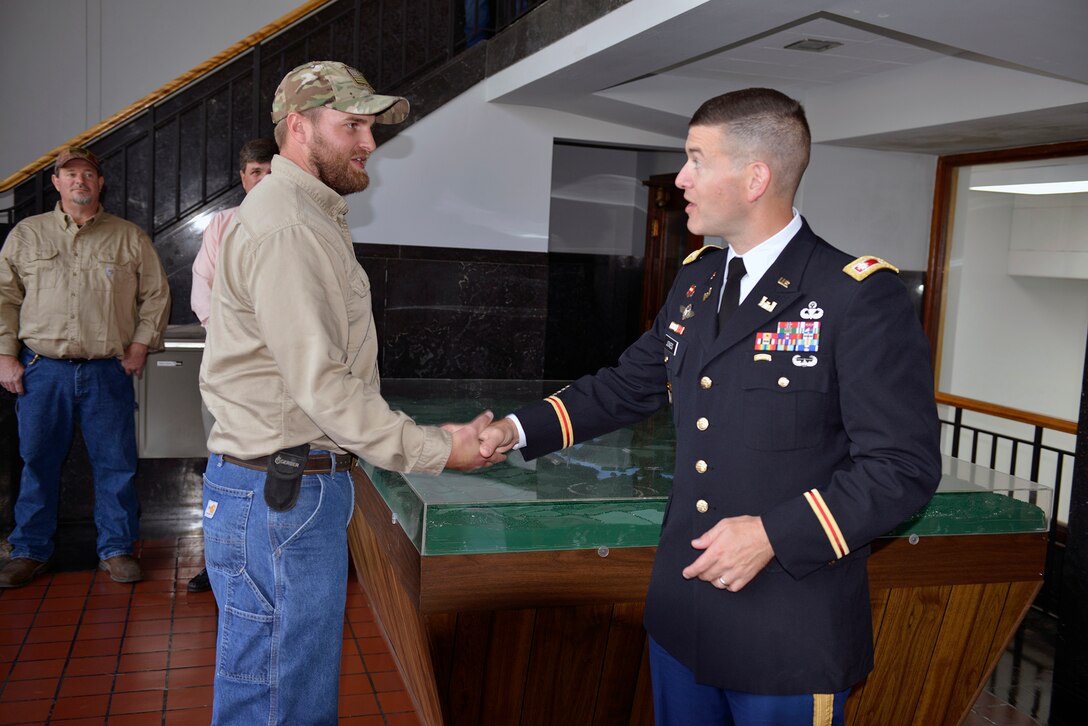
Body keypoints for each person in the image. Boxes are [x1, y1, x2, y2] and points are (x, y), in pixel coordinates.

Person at [480, 88, 942, 725]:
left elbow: (902, 469)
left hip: (786, 629)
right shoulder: (698, 279)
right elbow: (628, 385)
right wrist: (511, 431)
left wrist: (774, 534)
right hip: (685, 615)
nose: (681, 177)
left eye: (697, 159)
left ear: (756, 177)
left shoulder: (855, 296)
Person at [199, 60, 500, 724]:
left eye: (370, 128)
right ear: (298, 127)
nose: (368, 143)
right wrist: (433, 451)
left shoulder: (306, 215)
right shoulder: (289, 227)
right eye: (353, 126)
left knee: (278, 692)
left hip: (279, 490)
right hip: (280, 496)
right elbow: (322, 383)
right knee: (282, 702)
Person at [0, 147, 170, 588]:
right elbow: (5, 298)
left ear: (100, 183)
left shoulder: (128, 237)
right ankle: (29, 550)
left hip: (105, 371)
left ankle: (116, 550)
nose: (79, 181)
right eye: (70, 174)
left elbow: (156, 296)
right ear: (56, 182)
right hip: (42, 369)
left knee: (116, 464)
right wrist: (4, 355)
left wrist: (139, 344)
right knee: (36, 462)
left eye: (88, 174)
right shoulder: (27, 235)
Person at [186, 136, 277, 594]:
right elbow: (205, 292)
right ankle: (219, 561)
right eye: (254, 171)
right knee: (223, 458)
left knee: (274, 460)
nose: (262, 179)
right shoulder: (222, 224)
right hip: (231, 365)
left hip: (284, 371)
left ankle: (267, 555)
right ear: (243, 178)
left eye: (269, 171)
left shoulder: (301, 223)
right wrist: (239, 340)